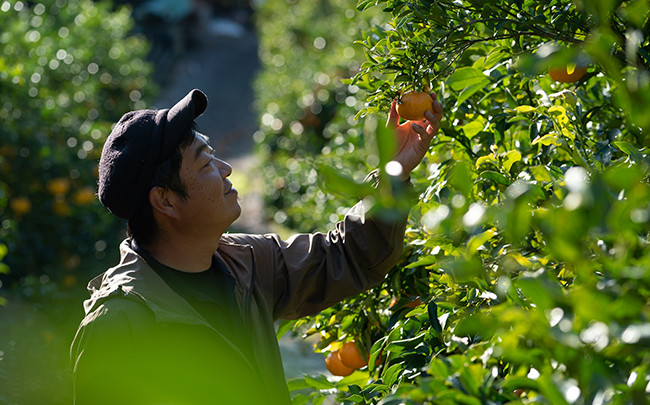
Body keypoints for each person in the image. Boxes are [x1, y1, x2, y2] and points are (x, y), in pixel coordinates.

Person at [70, 88, 442, 404]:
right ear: (165, 201)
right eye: (204, 165)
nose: (226, 168)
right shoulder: (120, 323)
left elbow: (349, 255)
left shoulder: (244, 263)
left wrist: (394, 172)